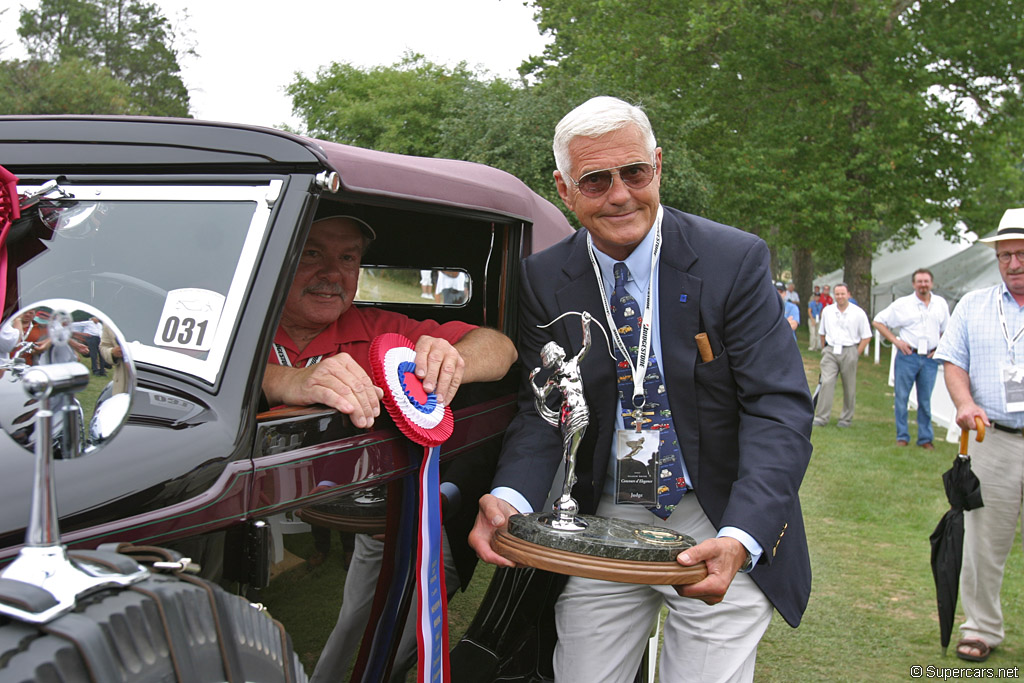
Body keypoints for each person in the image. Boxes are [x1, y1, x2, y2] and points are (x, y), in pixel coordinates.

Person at [469, 96, 813, 682]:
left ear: (658, 166)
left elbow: (777, 409)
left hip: (715, 515)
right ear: (563, 188)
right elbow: (544, 409)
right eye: (596, 180)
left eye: (635, 172)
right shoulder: (544, 278)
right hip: (599, 519)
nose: (621, 194)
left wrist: (739, 536)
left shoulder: (735, 260)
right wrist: (513, 497)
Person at [261, 212, 517, 681]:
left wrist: (450, 359)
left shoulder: (379, 328)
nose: (332, 273)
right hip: (234, 517)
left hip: (360, 521)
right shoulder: (243, 320)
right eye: (313, 253)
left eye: (348, 258)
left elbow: (501, 348)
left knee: (361, 634)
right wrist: (282, 380)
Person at [934, 207, 1024, 664]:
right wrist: (964, 404)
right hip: (995, 439)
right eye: (1005, 255)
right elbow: (954, 362)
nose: (1013, 264)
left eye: (1021, 254)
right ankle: (981, 628)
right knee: (983, 542)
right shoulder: (974, 304)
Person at [872, 269, 950, 449]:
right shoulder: (903, 304)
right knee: (901, 398)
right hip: (908, 356)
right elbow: (878, 321)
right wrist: (896, 341)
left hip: (930, 358)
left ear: (932, 283)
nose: (923, 285)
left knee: (925, 400)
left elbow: (948, 328)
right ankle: (902, 436)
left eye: (926, 281)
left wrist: (939, 347)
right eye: (920, 282)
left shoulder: (940, 304)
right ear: (914, 284)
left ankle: (925, 438)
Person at [813, 283, 872, 428]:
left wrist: (856, 353)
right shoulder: (827, 311)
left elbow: (867, 336)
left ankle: (845, 419)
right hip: (831, 350)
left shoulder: (858, 313)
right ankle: (821, 417)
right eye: (837, 294)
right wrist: (825, 349)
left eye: (842, 294)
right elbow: (822, 332)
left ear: (849, 294)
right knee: (826, 382)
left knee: (849, 385)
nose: (840, 297)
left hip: (849, 350)